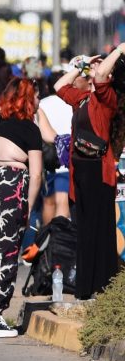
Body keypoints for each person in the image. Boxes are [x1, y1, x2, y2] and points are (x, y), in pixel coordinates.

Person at [0, 78, 43, 338]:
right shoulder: (29, 129)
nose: (38, 101)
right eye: (35, 96)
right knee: (6, 250)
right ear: (27, 99)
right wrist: (27, 207)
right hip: (9, 187)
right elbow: (36, 175)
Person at [55, 47, 125, 300]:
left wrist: (117, 51)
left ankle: (102, 286)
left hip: (98, 171)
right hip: (81, 171)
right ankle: (85, 288)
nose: (95, 69)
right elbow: (59, 86)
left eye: (97, 68)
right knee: (84, 229)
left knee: (100, 229)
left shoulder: (106, 98)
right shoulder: (82, 98)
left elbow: (102, 75)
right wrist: (83, 63)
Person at [37, 72, 73, 222]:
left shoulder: (41, 103)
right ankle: (60, 239)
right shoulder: (72, 102)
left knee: (48, 201)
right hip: (67, 156)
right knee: (63, 201)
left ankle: (46, 239)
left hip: (48, 158)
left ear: (47, 86)